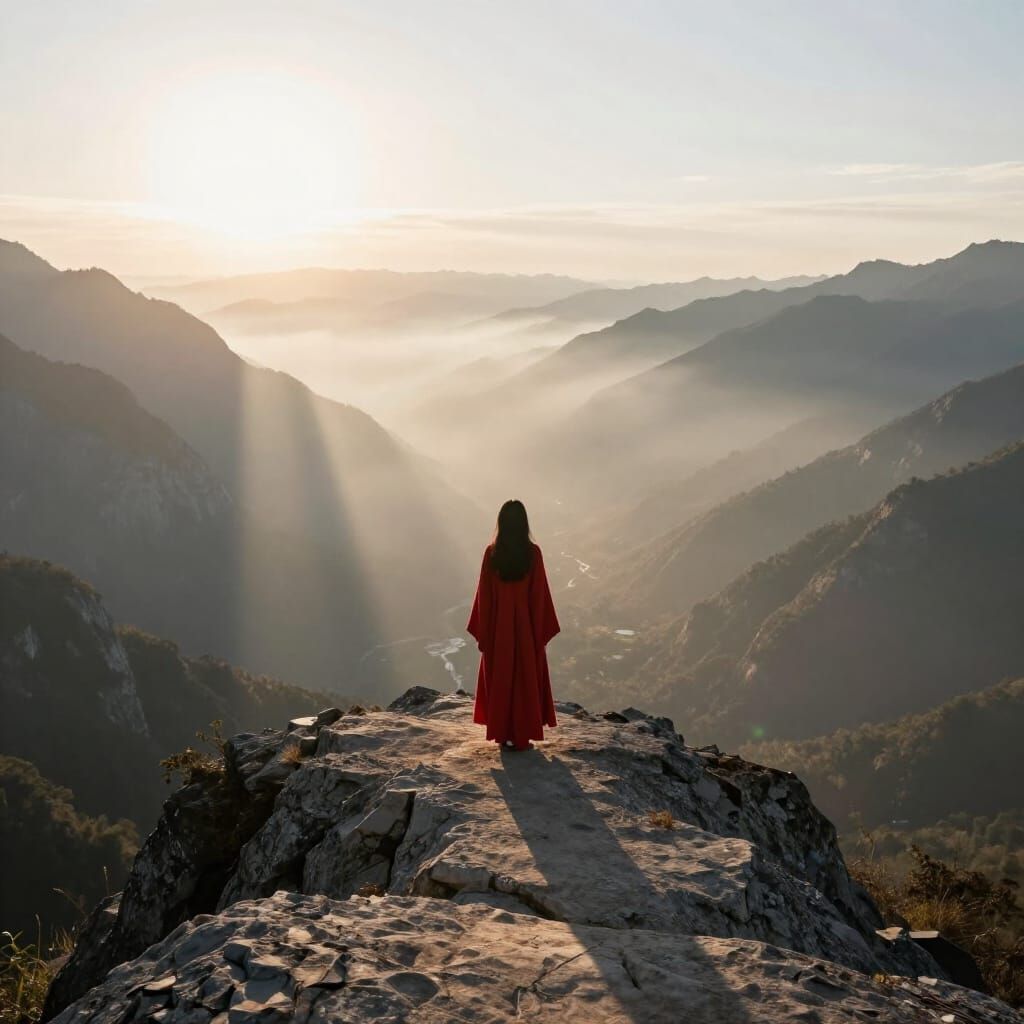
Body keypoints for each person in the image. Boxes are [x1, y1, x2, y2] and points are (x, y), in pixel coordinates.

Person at [467, 499, 560, 750]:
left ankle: (502, 733)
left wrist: (484, 632)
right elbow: (539, 596)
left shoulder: (492, 554)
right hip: (526, 630)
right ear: (524, 524)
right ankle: (523, 735)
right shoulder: (533, 554)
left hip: (498, 630)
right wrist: (539, 631)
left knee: (501, 678)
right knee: (525, 679)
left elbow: (484, 597)